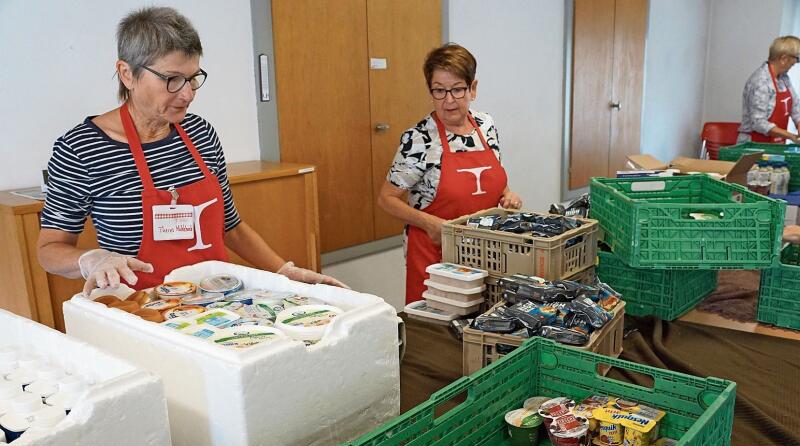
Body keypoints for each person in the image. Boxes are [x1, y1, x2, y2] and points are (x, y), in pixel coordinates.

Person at [37, 7, 345, 295]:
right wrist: (92, 259)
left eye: (193, 78)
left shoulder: (200, 133)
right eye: (172, 79)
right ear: (127, 73)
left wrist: (283, 271)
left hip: (215, 303)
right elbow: (50, 249)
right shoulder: (81, 150)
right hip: (143, 311)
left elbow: (230, 225)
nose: (187, 94)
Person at [377, 43, 521, 304]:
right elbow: (387, 198)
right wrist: (429, 223)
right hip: (435, 259)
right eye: (439, 91)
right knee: (437, 337)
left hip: (485, 253)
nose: (449, 100)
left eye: (457, 89)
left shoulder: (485, 126)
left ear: (473, 88)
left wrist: (507, 196)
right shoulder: (419, 138)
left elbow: (492, 182)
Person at [738, 36, 800, 143]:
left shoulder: (784, 78)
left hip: (775, 143)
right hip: (754, 145)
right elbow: (758, 122)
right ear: (783, 59)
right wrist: (791, 136)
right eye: (796, 58)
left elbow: (795, 106)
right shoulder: (760, 81)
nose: (795, 63)